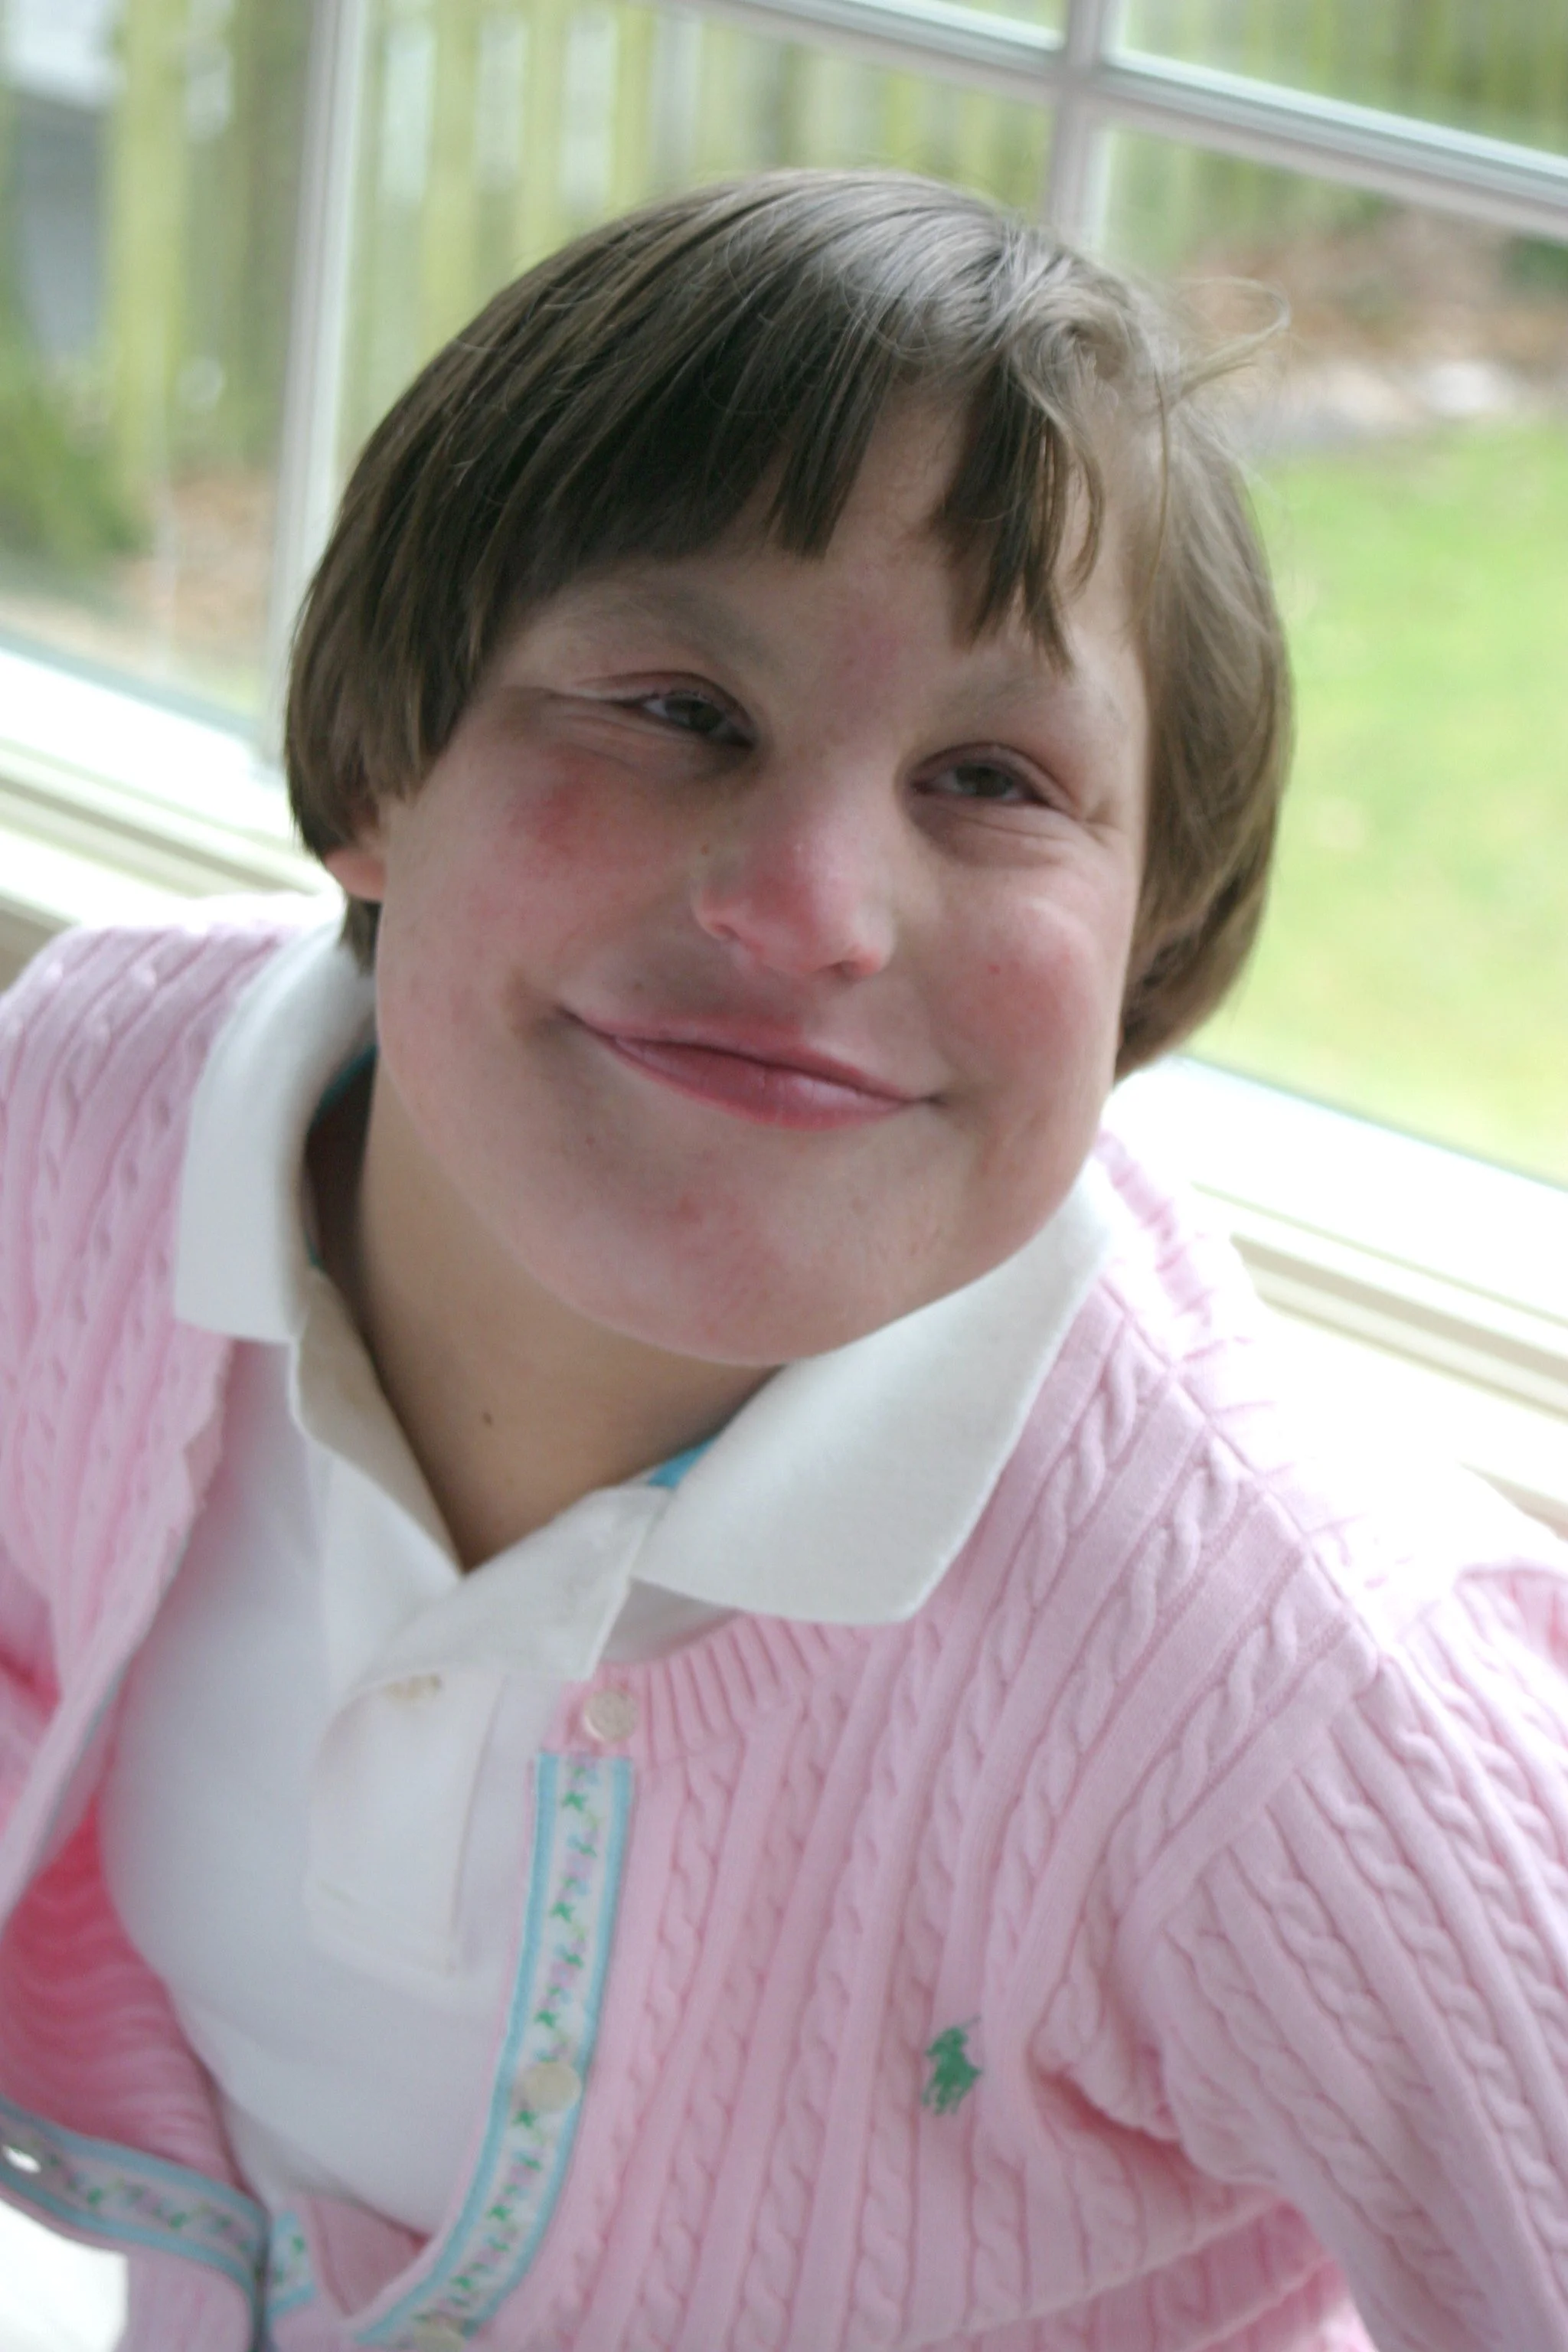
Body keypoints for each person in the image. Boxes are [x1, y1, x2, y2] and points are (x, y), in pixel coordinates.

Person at [1, 169, 1564, 2352]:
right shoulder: (90, 1123)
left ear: (1146, 954)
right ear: (375, 769)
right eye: (677, 709)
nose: (814, 905)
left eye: (993, 776)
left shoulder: (1286, 1693)